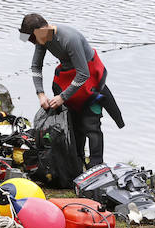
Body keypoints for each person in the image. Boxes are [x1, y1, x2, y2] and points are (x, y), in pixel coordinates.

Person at [19, 13, 124, 168]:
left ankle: (96, 165)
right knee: (74, 124)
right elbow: (36, 67)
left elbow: (83, 74)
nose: (33, 43)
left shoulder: (69, 39)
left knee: (91, 124)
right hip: (69, 78)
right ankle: (77, 162)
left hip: (89, 80)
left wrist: (62, 97)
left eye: (33, 39)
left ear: (41, 30)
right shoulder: (42, 38)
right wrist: (40, 94)